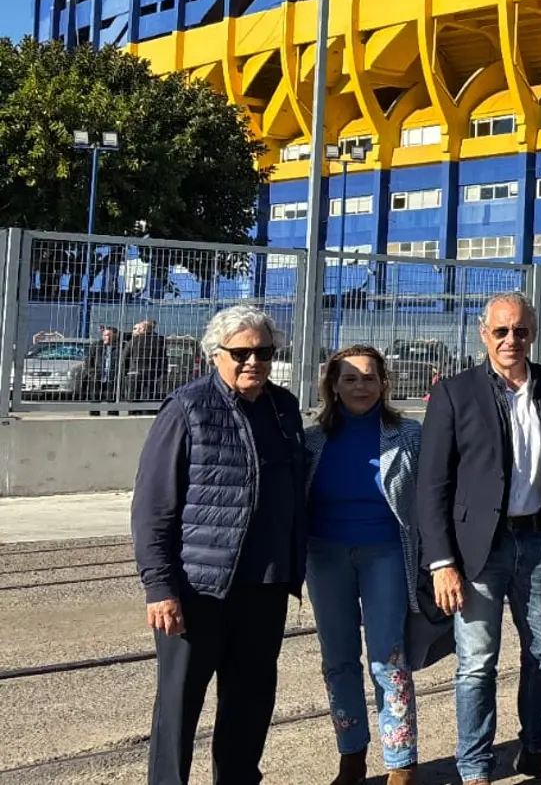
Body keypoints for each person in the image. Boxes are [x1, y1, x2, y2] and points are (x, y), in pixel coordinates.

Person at [133, 305, 308, 785]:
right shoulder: (186, 408)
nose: (254, 362)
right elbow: (153, 506)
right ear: (215, 355)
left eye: (264, 353)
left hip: (265, 585)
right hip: (199, 589)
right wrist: (159, 587)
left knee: (250, 703)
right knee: (179, 705)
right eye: (242, 353)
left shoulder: (284, 407)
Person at [418, 292, 541, 785]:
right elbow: (432, 483)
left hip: (538, 542)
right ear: (483, 333)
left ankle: (537, 749)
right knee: (476, 663)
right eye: (502, 331)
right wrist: (441, 561)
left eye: (521, 330)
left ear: (533, 333)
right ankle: (475, 767)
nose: (512, 340)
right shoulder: (455, 392)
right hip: (476, 551)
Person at [302, 345, 442, 785]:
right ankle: (352, 756)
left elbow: (432, 496)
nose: (360, 386)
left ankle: (400, 762)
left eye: (369, 378)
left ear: (384, 384)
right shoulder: (312, 440)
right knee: (338, 658)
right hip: (325, 555)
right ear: (333, 386)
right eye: (349, 378)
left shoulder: (409, 434)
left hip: (385, 553)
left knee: (388, 656)